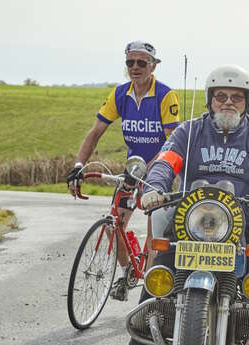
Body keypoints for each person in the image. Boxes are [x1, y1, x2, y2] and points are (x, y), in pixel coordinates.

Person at [132, 65, 249, 345]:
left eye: (237, 97)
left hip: (248, 221)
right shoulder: (189, 131)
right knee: (156, 286)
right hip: (190, 224)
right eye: (221, 96)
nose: (228, 103)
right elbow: (167, 160)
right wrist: (156, 187)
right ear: (210, 100)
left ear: (247, 102)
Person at [67, 40, 180, 301]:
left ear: (153, 66)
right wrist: (78, 166)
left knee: (155, 236)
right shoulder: (120, 94)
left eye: (142, 63)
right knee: (112, 223)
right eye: (131, 62)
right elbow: (95, 132)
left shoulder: (165, 95)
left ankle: (151, 295)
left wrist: (150, 170)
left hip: (160, 170)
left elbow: (172, 142)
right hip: (133, 169)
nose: (136, 67)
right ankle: (128, 270)